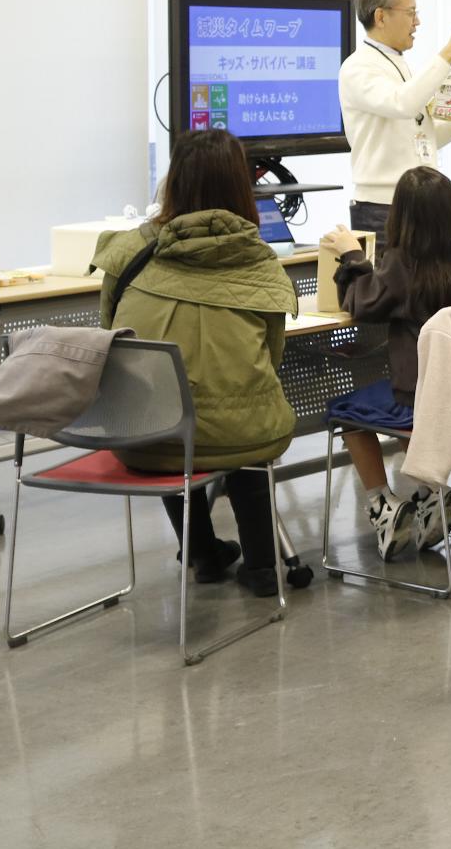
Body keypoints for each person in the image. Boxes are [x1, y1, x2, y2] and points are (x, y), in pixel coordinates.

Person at [92, 130, 300, 598]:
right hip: (246, 441)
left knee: (161, 406)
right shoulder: (260, 261)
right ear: (240, 185)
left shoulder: (127, 254)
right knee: (245, 418)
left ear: (174, 181)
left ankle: (203, 552)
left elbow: (112, 333)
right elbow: (270, 357)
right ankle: (264, 567)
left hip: (145, 440)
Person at [318, 166, 451, 561]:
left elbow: (361, 302)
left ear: (400, 216)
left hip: (420, 399)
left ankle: (383, 506)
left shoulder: (400, 265)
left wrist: (352, 256)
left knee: (346, 412)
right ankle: (430, 496)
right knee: (398, 400)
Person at [339, 0, 451, 240]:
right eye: (411, 13)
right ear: (381, 16)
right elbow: (402, 103)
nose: (418, 22)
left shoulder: (398, 64)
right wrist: (448, 54)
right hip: (381, 207)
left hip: (419, 202)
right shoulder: (357, 67)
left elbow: (427, 137)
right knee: (392, 283)